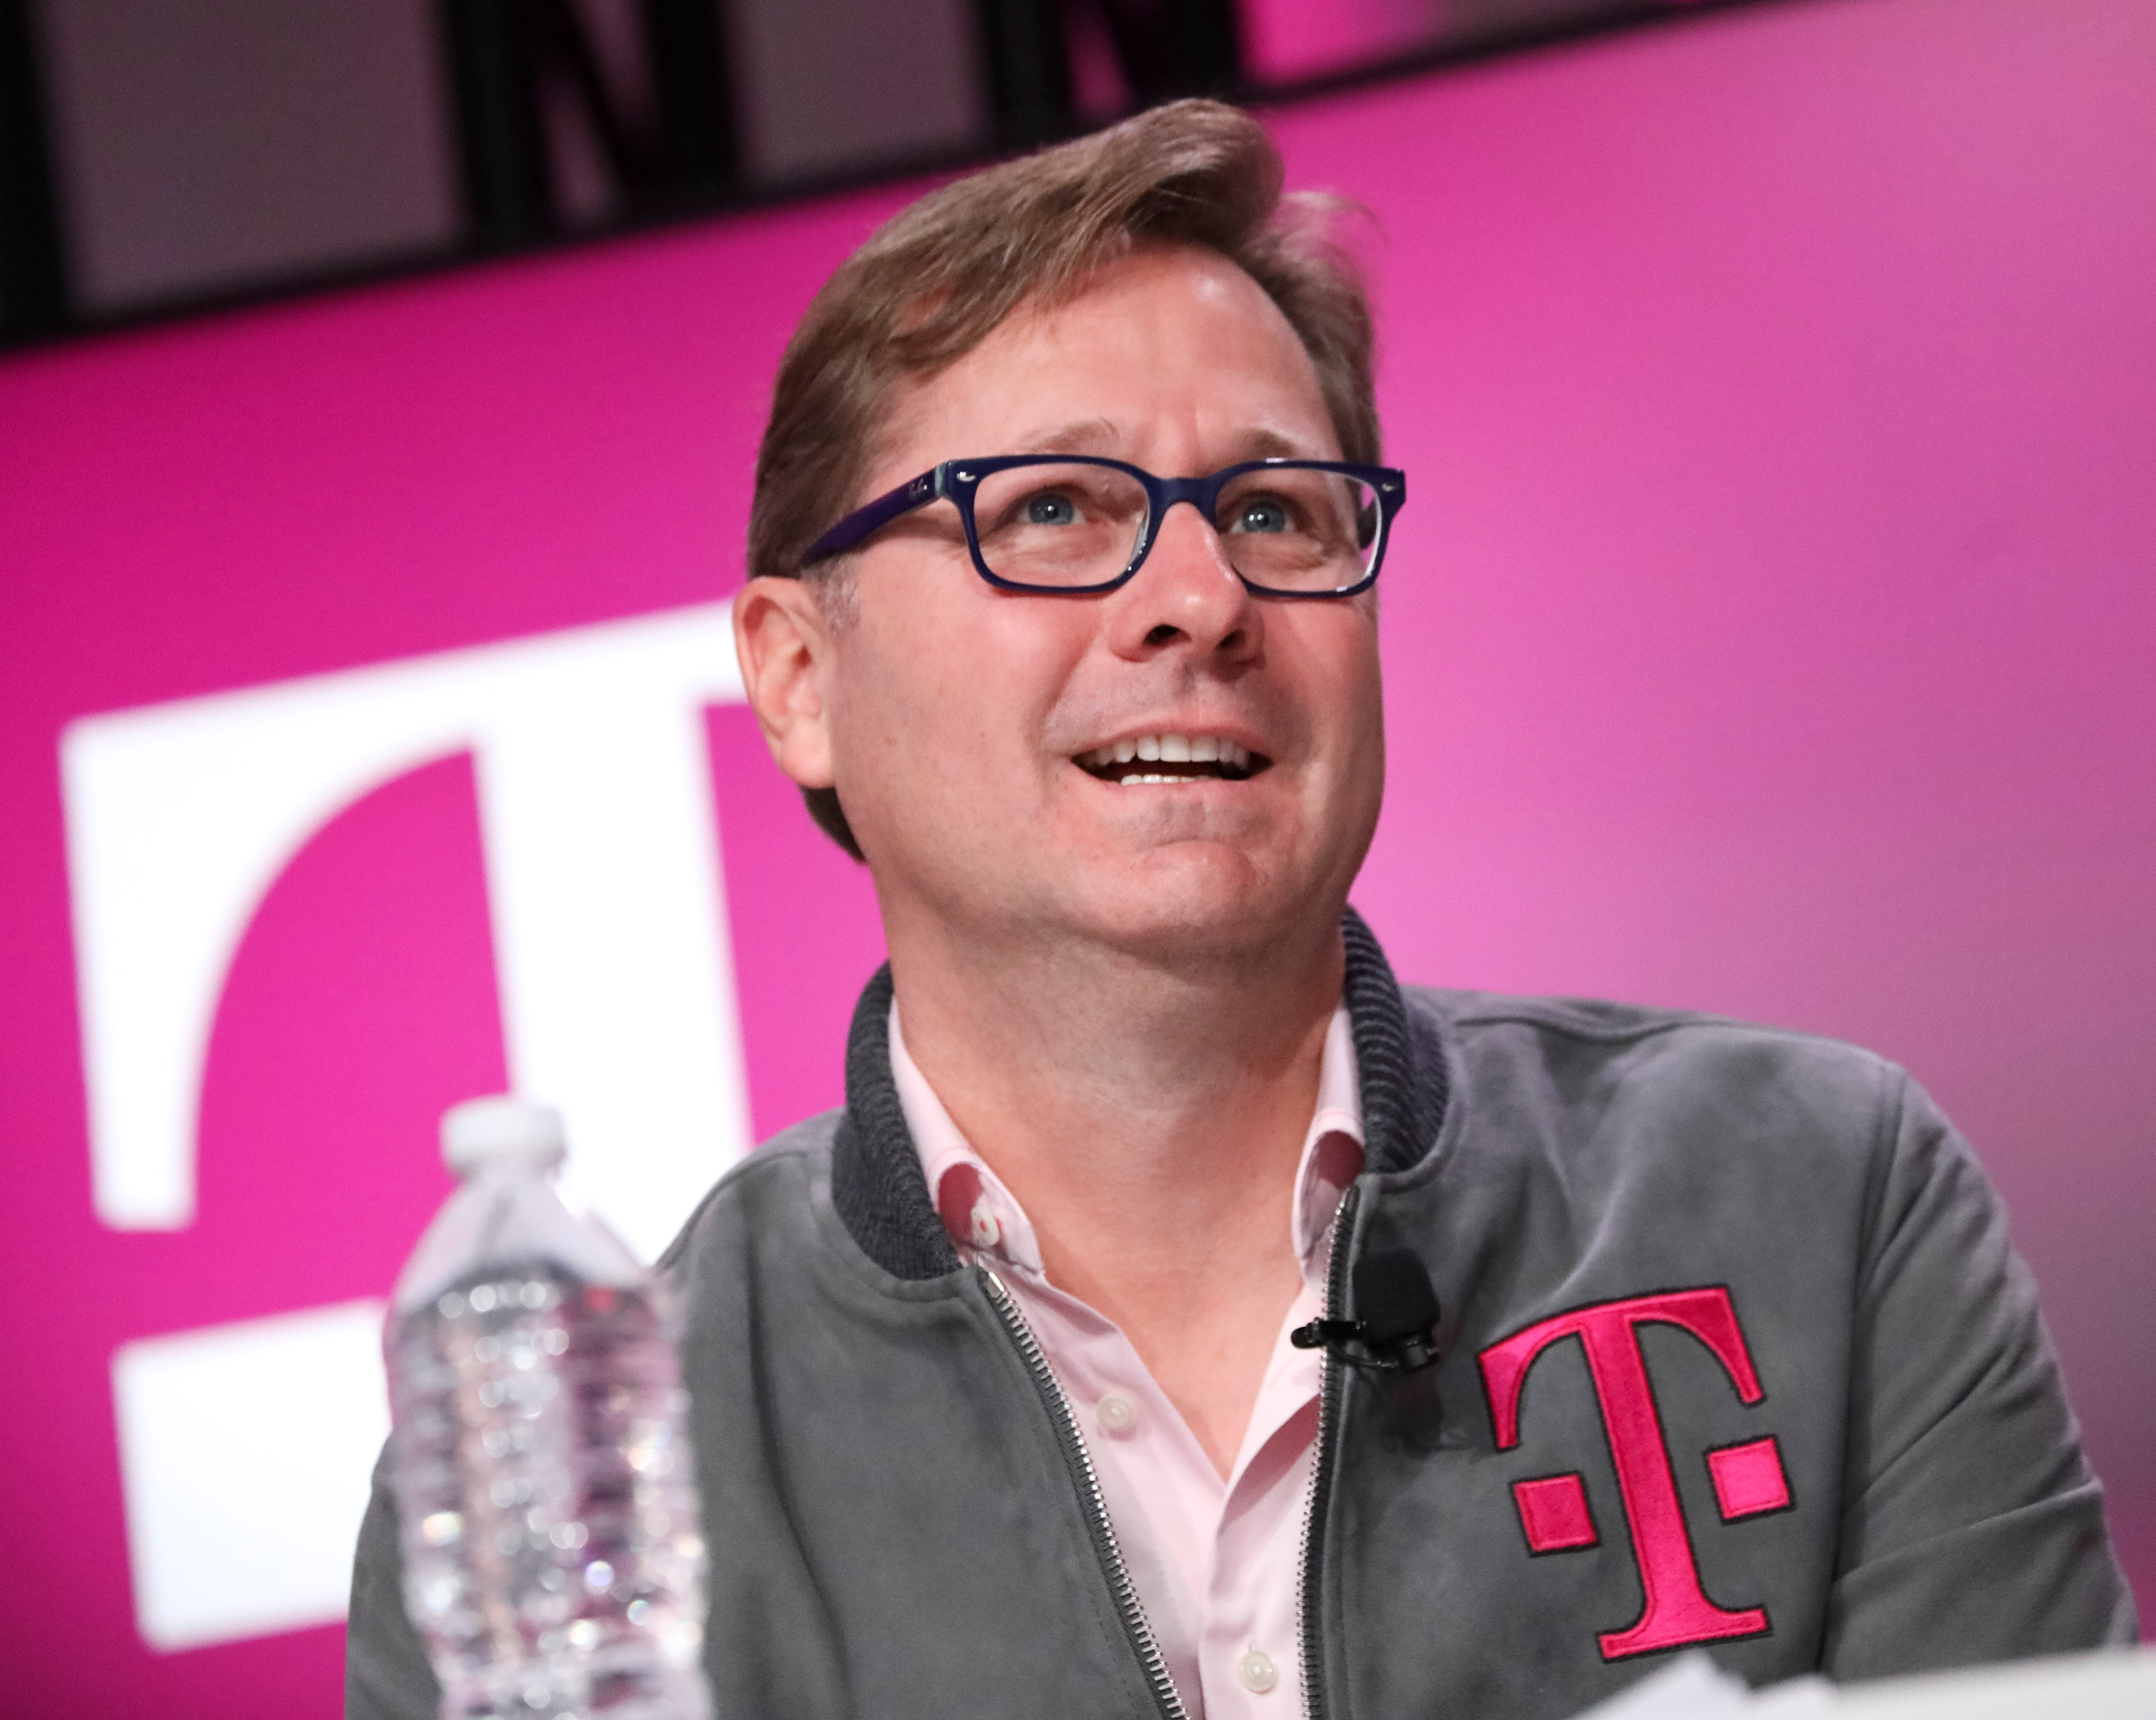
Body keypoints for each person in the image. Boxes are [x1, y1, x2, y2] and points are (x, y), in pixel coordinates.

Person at [347, 99, 2135, 1719]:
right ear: (799, 676)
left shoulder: (1814, 1198)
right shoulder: (589, 1470)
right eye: (1050, 509)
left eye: (1277, 511)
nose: (1199, 600)